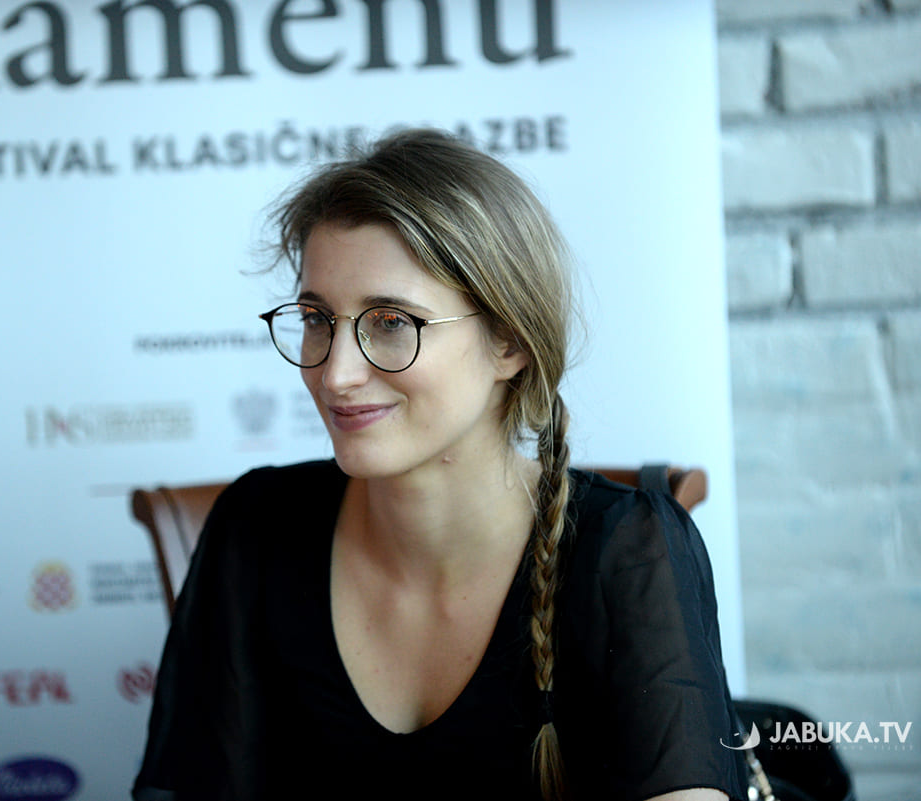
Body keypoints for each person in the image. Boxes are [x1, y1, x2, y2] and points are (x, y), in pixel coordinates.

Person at [133, 129, 746, 800]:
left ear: (508, 341)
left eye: (391, 322)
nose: (336, 374)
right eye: (316, 318)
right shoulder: (255, 529)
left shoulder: (630, 553)